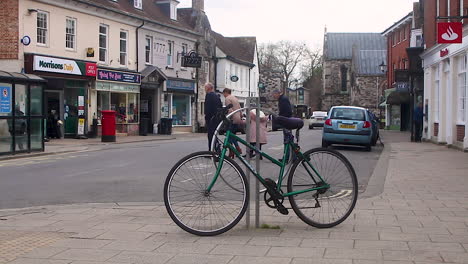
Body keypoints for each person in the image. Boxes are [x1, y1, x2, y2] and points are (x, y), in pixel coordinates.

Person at [272, 89, 293, 162]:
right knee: (289, 140)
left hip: (286, 122)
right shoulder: (283, 99)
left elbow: (287, 111)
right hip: (286, 121)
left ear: (277, 93)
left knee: (287, 140)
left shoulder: (283, 100)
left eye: (274, 95)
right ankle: (292, 157)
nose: (273, 96)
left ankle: (287, 158)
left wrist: (280, 118)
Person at [222, 88, 243, 158]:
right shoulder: (235, 98)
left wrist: (225, 116)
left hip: (232, 119)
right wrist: (240, 117)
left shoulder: (228, 98)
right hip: (238, 118)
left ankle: (237, 148)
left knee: (229, 136)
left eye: (223, 93)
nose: (223, 95)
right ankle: (232, 152)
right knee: (232, 135)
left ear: (225, 92)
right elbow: (240, 109)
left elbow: (230, 110)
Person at [204, 82, 222, 151]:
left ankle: (213, 152)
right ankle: (216, 150)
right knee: (214, 136)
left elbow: (207, 109)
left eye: (205, 88)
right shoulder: (217, 96)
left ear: (208, 88)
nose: (205, 89)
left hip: (211, 119)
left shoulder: (209, 95)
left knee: (211, 136)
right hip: (217, 119)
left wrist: (206, 118)